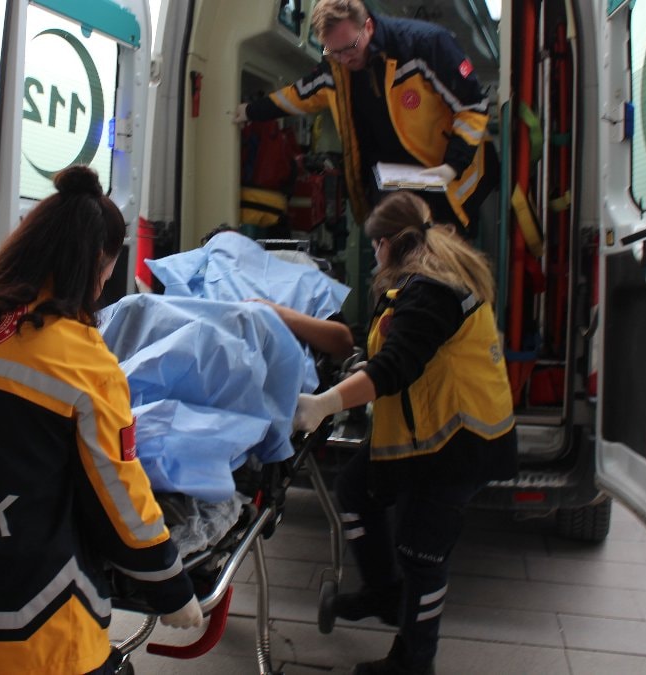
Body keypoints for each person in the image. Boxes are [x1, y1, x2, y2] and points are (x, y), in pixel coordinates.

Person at [0, 165, 203, 675]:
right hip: (22, 628)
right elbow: (120, 498)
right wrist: (169, 586)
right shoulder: (83, 363)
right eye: (105, 275)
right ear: (96, 265)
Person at [293, 191, 517, 675]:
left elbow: (396, 365)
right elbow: (399, 352)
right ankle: (383, 594)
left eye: (375, 246)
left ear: (389, 243)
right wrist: (361, 369)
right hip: (428, 432)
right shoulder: (424, 281)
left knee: (421, 553)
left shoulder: (431, 289)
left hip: (456, 442)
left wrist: (324, 404)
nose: (374, 255)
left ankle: (414, 662)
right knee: (356, 488)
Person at [233, 0, 495, 234]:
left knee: (445, 260)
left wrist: (452, 167)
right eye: (333, 51)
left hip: (450, 181)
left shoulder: (425, 45)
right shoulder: (337, 68)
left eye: (350, 47)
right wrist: (249, 111)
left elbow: (472, 106)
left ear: (368, 26)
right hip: (393, 185)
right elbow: (299, 96)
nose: (344, 59)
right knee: (397, 259)